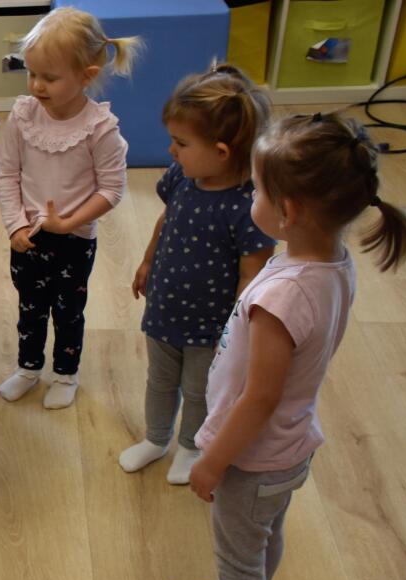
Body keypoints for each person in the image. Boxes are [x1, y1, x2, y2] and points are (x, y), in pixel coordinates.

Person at [158, 114, 406, 580]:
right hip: (289, 447)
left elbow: (260, 398)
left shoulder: (285, 297)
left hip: (253, 458)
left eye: (257, 190)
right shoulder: (331, 263)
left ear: (288, 211)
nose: (251, 197)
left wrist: (213, 461)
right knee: (262, 540)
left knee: (239, 556)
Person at [121, 65, 276, 484]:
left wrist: (238, 329)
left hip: (211, 326)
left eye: (181, 142)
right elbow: (166, 221)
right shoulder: (183, 177)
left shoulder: (249, 207)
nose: (171, 150)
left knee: (199, 390)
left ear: (222, 152)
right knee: (159, 380)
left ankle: (191, 446)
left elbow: (254, 275)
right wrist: (148, 261)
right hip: (165, 308)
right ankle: (156, 439)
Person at [0, 7, 138, 408]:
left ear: (86, 76)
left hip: (74, 241)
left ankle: (65, 374)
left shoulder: (100, 129)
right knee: (30, 308)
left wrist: (70, 222)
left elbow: (112, 188)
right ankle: (28, 368)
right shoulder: (23, 115)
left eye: (49, 77)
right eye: (31, 73)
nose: (36, 85)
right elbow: (6, 172)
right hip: (28, 237)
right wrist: (14, 225)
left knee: (68, 311)